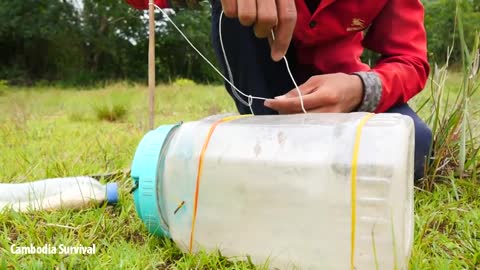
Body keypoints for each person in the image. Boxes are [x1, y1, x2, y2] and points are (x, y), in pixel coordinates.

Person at [126, 0, 432, 180]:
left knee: (413, 144)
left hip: (341, 88)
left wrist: (360, 88)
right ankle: (264, 142)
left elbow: (411, 61)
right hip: (264, 84)